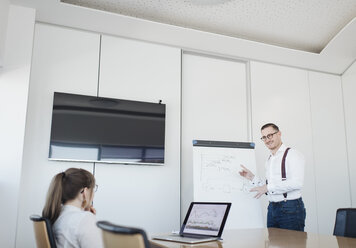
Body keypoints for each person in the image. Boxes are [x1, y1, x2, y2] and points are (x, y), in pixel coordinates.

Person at [239, 123, 306, 231]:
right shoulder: (270, 159)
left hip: (290, 208)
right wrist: (252, 177)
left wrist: (268, 188)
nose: (267, 140)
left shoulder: (293, 154)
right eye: (264, 137)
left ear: (279, 134)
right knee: (273, 244)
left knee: (293, 245)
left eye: (270, 135)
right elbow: (269, 188)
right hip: (272, 209)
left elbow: (297, 183)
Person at [42, 168, 103, 248]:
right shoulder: (85, 219)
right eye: (93, 189)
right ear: (84, 192)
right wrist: (88, 218)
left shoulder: (57, 213)